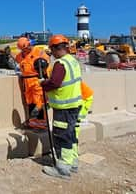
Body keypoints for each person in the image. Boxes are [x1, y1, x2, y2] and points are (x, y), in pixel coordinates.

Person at [40, 34, 83, 179]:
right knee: (71, 135)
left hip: (64, 107)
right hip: (75, 105)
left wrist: (43, 83)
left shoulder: (60, 64)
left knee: (62, 136)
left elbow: (55, 83)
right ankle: (72, 162)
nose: (51, 54)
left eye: (51, 50)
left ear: (55, 48)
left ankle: (63, 168)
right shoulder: (73, 61)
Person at [15, 37, 49, 130]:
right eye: (26, 47)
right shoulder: (19, 56)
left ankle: (42, 122)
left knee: (39, 101)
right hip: (26, 82)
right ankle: (33, 122)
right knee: (30, 101)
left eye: (29, 45)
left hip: (37, 80)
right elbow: (18, 65)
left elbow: (47, 64)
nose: (29, 47)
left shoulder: (39, 52)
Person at [71, 81, 94, 173]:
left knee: (73, 131)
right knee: (73, 130)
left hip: (84, 100)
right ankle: (74, 154)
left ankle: (74, 158)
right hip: (83, 99)